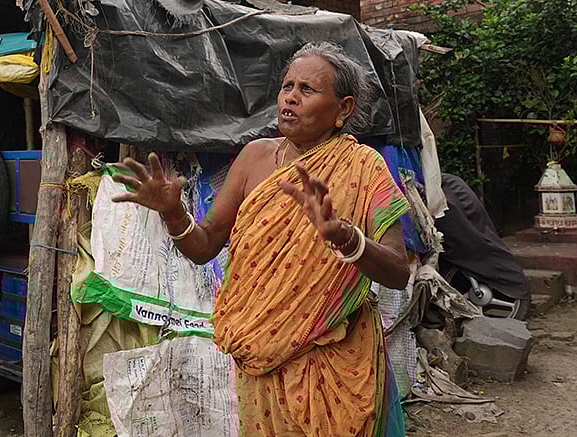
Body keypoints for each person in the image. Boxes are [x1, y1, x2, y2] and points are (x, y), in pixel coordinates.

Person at [113, 41, 410, 436]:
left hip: (337, 359)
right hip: (260, 361)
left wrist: (346, 238)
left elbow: (398, 271)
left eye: (307, 89)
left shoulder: (364, 167)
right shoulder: (254, 157)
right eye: (287, 86)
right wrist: (174, 213)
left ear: (343, 109)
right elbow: (205, 245)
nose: (290, 98)